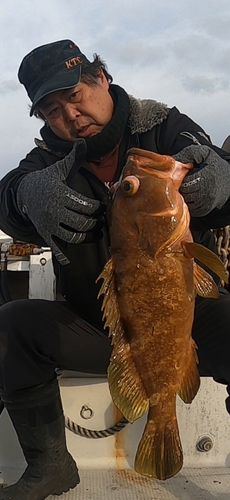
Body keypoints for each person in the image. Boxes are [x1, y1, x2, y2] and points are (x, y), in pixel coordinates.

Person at [0, 39, 230, 500]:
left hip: (183, 317)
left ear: (101, 77)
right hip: (96, 325)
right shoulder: (47, 160)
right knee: (10, 327)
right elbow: (7, 196)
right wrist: (26, 196)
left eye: (74, 94)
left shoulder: (165, 129)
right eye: (51, 109)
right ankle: (50, 467)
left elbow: (213, 172)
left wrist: (224, 180)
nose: (69, 114)